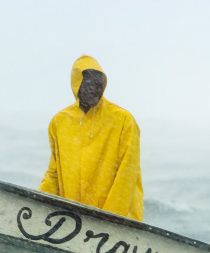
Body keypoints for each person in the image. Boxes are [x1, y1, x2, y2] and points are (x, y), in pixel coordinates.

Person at [39, 55, 144, 221]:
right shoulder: (60, 122)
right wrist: (37, 205)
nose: (94, 89)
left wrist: (109, 218)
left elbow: (127, 176)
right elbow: (54, 173)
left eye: (98, 84)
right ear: (76, 84)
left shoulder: (123, 120)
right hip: (74, 218)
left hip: (118, 220)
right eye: (88, 83)